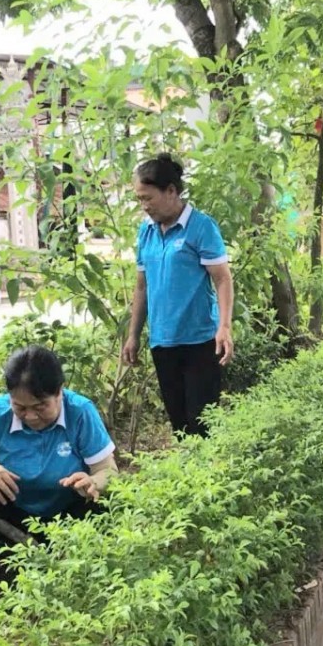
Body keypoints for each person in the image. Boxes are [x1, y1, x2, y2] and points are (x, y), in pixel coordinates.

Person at [0, 345, 118, 596]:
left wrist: (92, 482)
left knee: (105, 504)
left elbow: (109, 471)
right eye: (20, 407)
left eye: (40, 407)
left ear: (59, 392)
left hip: (67, 513)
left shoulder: (80, 412)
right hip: (13, 508)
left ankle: (76, 558)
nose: (30, 416)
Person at [121, 153, 234, 437]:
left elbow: (222, 279)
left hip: (200, 342)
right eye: (140, 199)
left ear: (171, 191)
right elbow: (142, 286)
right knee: (179, 426)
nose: (144, 206)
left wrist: (224, 327)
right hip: (162, 342)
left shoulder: (201, 227)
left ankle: (208, 466)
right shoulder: (146, 231)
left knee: (202, 425)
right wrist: (133, 334)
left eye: (148, 198)